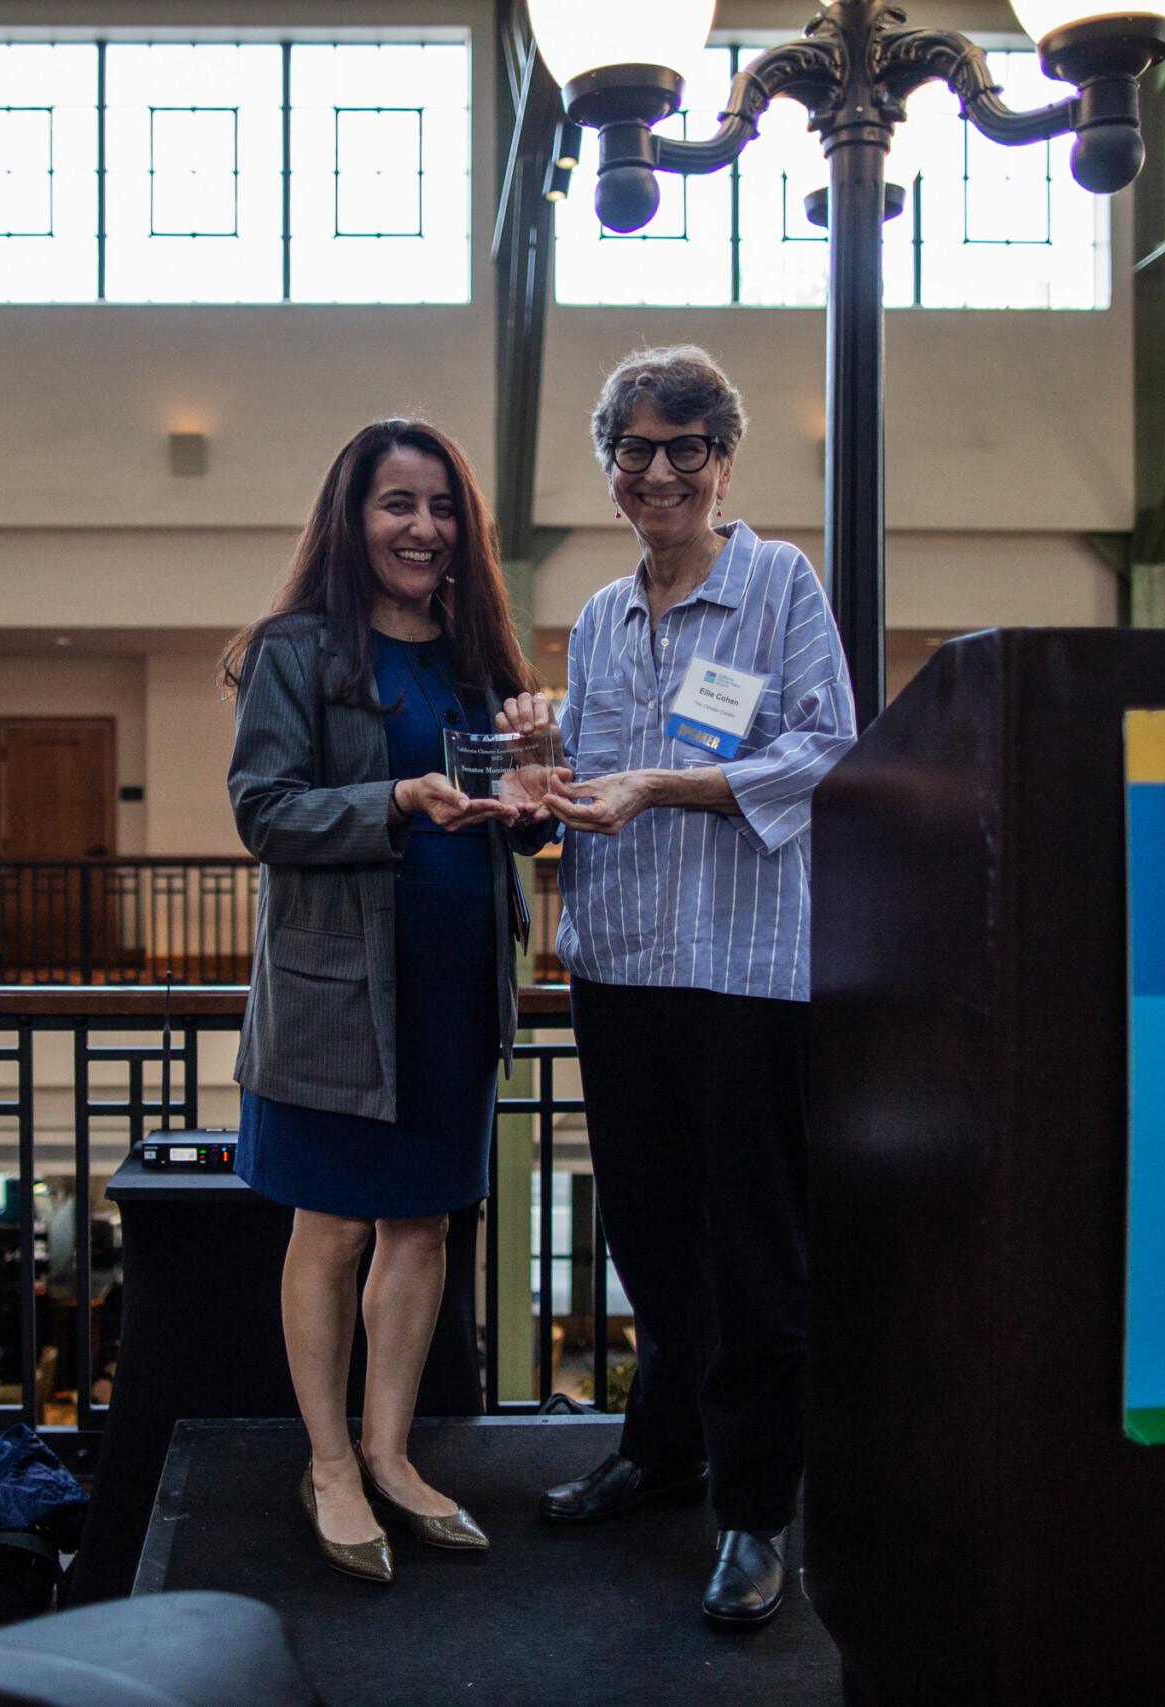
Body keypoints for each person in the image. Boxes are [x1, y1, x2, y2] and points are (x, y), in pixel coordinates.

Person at [517, 346, 855, 1629]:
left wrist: (659, 785)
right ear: (610, 465)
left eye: (685, 448)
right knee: (650, 1239)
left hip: (743, 977)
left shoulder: (778, 583)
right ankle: (662, 1452)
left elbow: (826, 751)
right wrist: (545, 769)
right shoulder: (603, 617)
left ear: (723, 460)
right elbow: (595, 774)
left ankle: (755, 1512)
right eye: (635, 449)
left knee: (754, 1256)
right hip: (617, 969)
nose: (658, 472)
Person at [223, 417, 552, 1585]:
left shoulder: (478, 657)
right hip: (336, 994)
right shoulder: (296, 650)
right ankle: (328, 1464)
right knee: (331, 1230)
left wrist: (538, 775)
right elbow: (263, 811)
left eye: (442, 506)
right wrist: (399, 799)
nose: (423, 528)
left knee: (423, 1226)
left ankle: (391, 1454)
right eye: (397, 504)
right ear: (352, 519)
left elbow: (521, 820)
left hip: (456, 990)